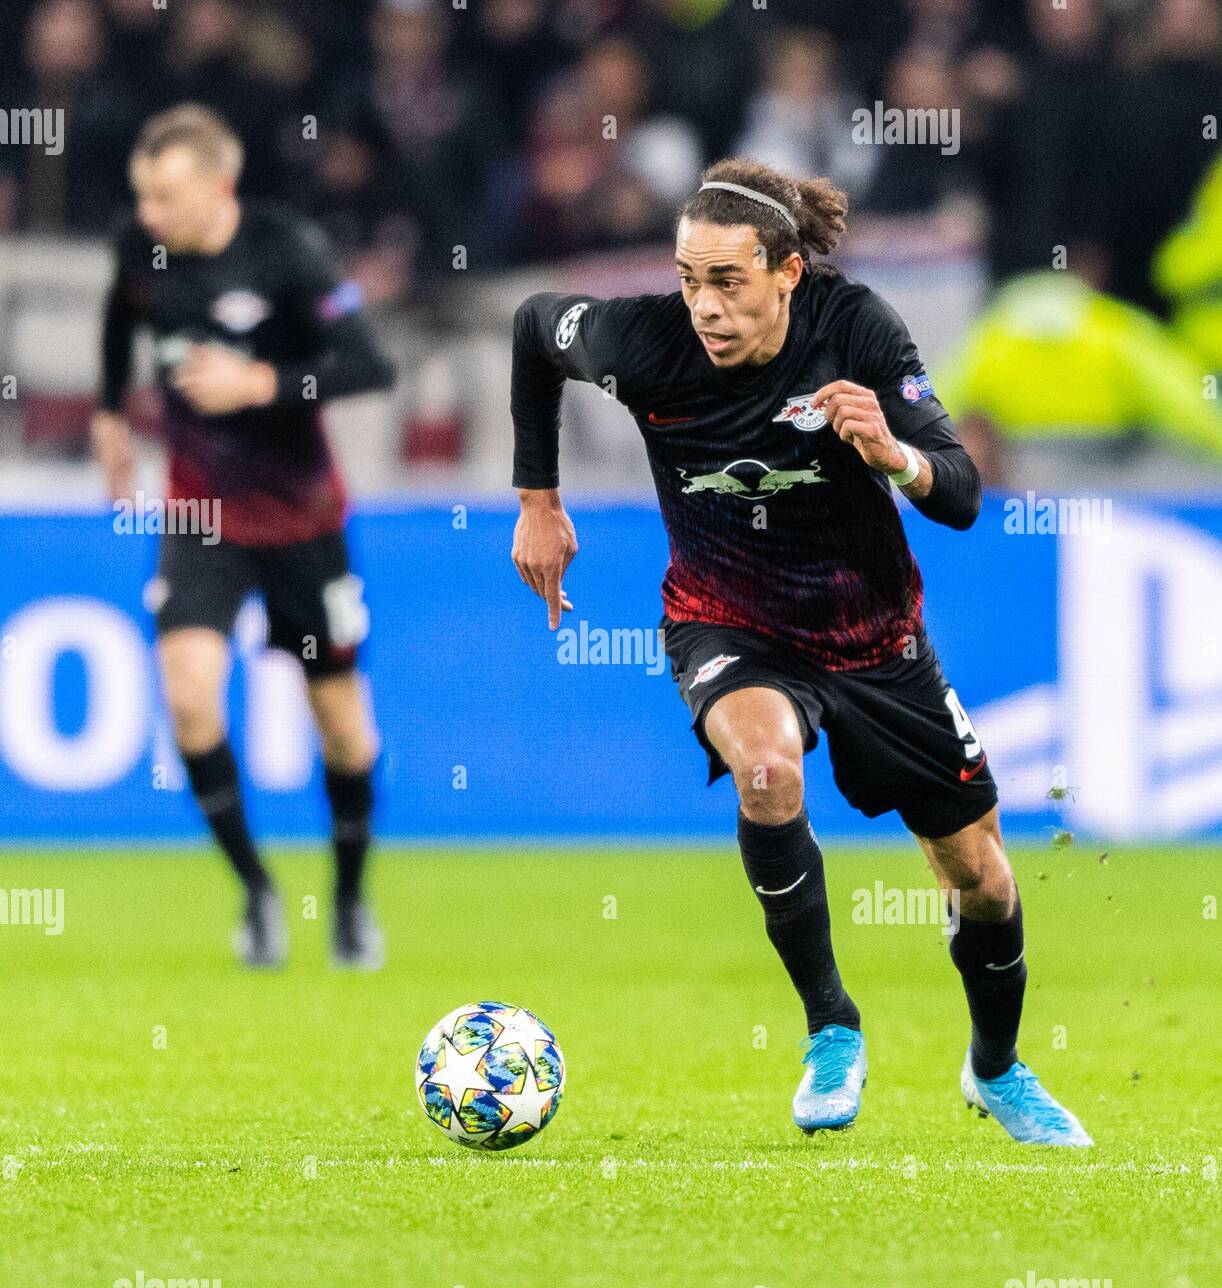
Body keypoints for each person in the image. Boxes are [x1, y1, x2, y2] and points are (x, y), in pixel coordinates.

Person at [509, 157, 1092, 1146]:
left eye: (726, 281)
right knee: (768, 769)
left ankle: (994, 1068)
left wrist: (894, 455)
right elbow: (532, 326)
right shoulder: (642, 341)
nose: (703, 305)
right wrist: (538, 500)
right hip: (725, 619)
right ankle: (830, 1025)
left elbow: (956, 493)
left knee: (981, 877)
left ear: (786, 273)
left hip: (876, 639)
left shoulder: (855, 328)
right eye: (689, 277)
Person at [91, 104, 395, 969]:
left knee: (343, 728)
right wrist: (113, 412)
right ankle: (258, 892)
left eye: (168, 196)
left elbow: (369, 365)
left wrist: (263, 382)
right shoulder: (136, 248)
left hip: (302, 520)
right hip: (200, 517)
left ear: (219, 186)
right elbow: (121, 318)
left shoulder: (286, 249)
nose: (151, 214)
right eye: (143, 196)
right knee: (188, 697)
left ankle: (346, 902)